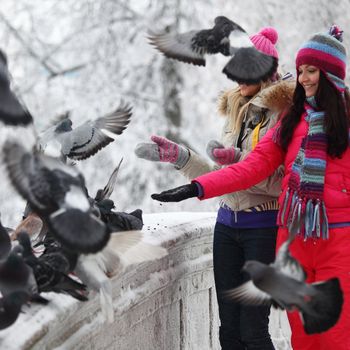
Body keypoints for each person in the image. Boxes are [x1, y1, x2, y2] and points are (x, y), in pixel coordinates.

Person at [151, 25, 350, 350]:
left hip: (338, 243)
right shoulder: (291, 122)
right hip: (295, 245)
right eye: (300, 71)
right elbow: (250, 168)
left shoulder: (346, 122)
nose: (304, 78)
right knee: (305, 339)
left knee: (336, 339)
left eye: (311, 70)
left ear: (331, 74)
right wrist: (198, 187)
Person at [136, 27, 294, 350]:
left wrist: (240, 159)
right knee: (229, 332)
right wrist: (180, 157)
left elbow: (280, 181)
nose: (238, 80)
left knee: (253, 331)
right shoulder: (234, 110)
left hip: (261, 229)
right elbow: (221, 177)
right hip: (225, 229)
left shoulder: (283, 115)